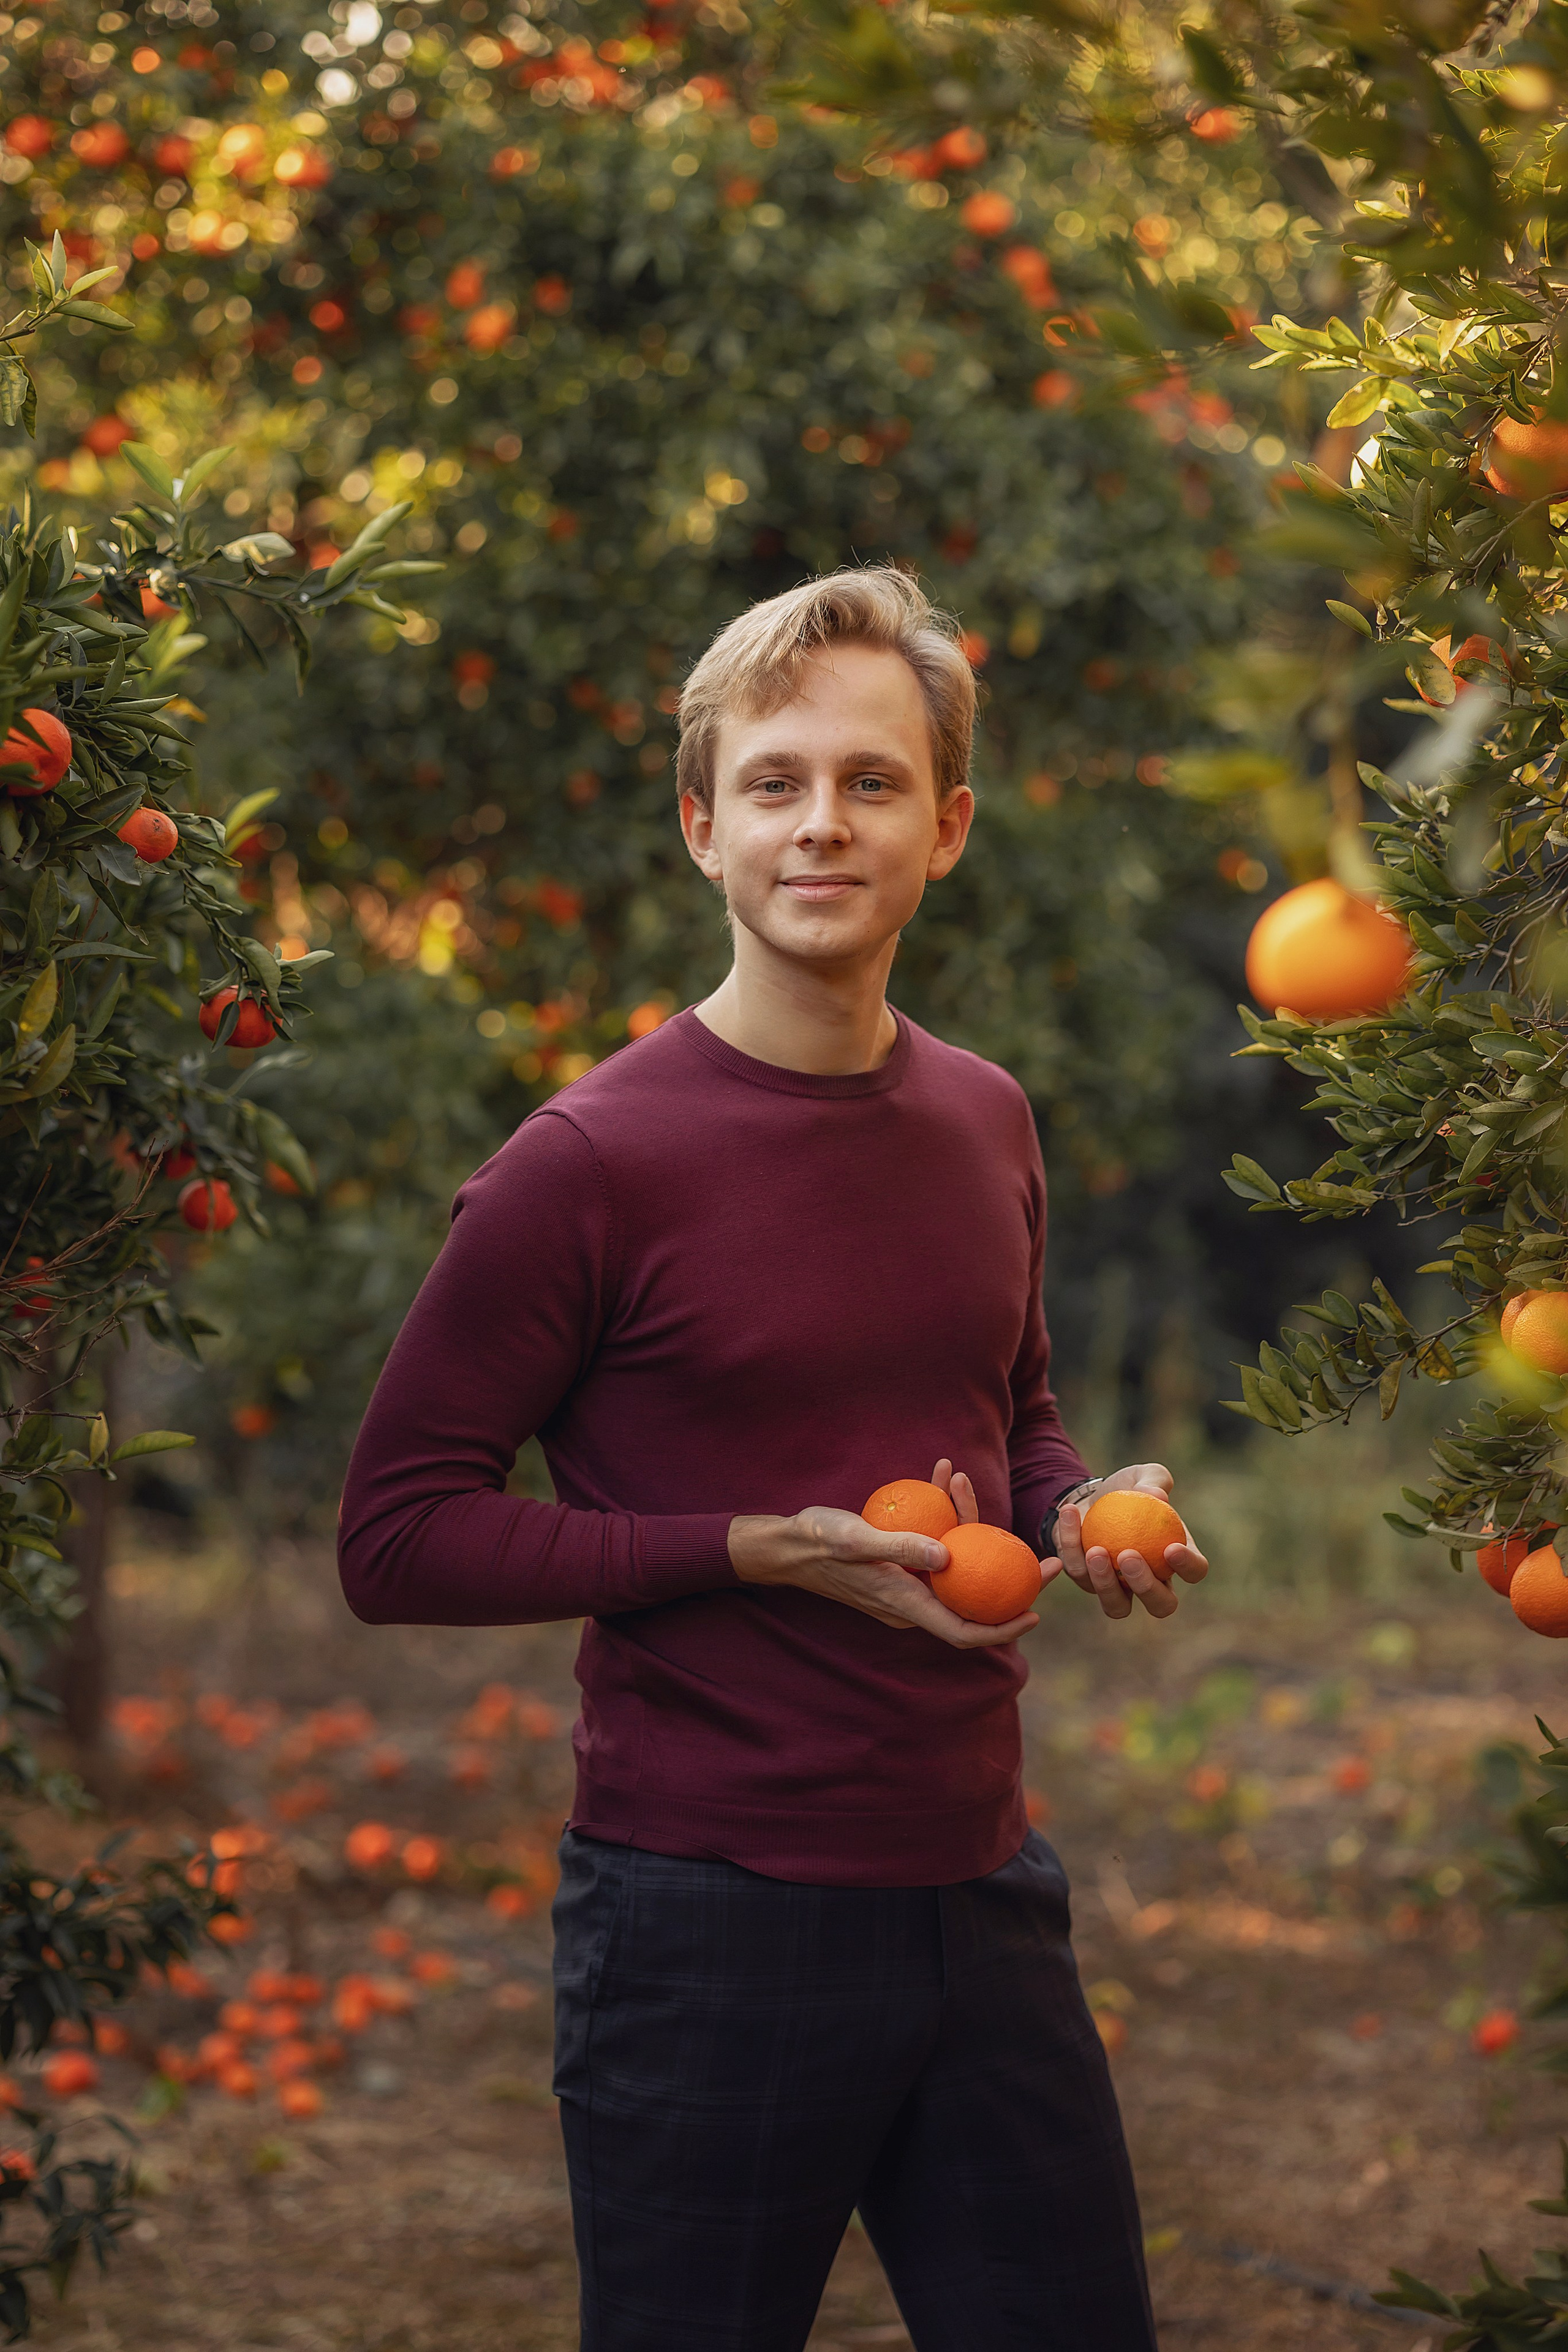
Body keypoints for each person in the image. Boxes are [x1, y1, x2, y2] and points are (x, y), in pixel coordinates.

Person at [337, 567, 1209, 2352]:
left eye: (874, 783)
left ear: (948, 827)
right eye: (778, 781)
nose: (825, 823)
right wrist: (748, 1548)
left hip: (982, 1891)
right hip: (701, 1921)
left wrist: (1081, 1510)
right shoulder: (585, 1164)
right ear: (702, 827)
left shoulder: (986, 1115)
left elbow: (1013, 1411)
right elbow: (397, 1539)